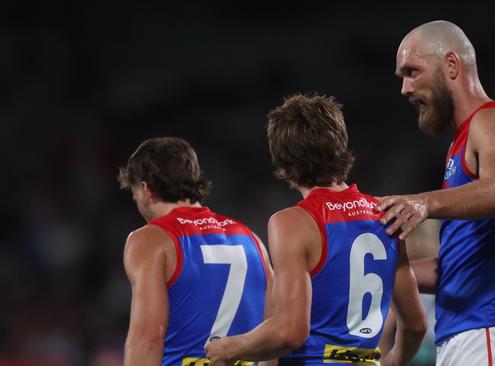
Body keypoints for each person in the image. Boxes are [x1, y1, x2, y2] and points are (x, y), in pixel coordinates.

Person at [205, 94, 427, 366]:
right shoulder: (385, 213)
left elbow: (290, 332)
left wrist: (229, 348)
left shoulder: (293, 223)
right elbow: (415, 325)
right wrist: (393, 361)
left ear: (283, 162)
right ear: (340, 144)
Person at [376, 20, 495, 365]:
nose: (405, 88)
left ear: (451, 65)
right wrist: (384, 268)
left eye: (412, 72)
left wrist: (424, 203)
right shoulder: (463, 144)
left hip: (489, 335)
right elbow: (455, 270)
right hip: (475, 337)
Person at [118, 137, 272, 366]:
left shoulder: (150, 240)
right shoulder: (252, 240)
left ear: (146, 190)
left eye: (134, 192)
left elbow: (147, 338)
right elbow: (275, 334)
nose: (134, 199)